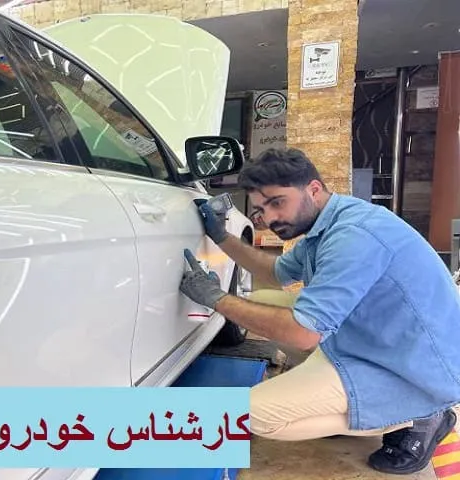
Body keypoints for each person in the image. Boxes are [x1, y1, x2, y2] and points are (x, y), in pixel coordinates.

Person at [179, 147, 460, 475]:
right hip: (374, 340)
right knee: (266, 299)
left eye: (277, 202)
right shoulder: (327, 224)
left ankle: (420, 413)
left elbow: (303, 333)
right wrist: (222, 237)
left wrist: (217, 299)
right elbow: (276, 272)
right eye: (260, 210)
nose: (269, 219)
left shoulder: (354, 236)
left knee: (250, 416)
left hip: (411, 367)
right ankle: (352, 407)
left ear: (313, 189)